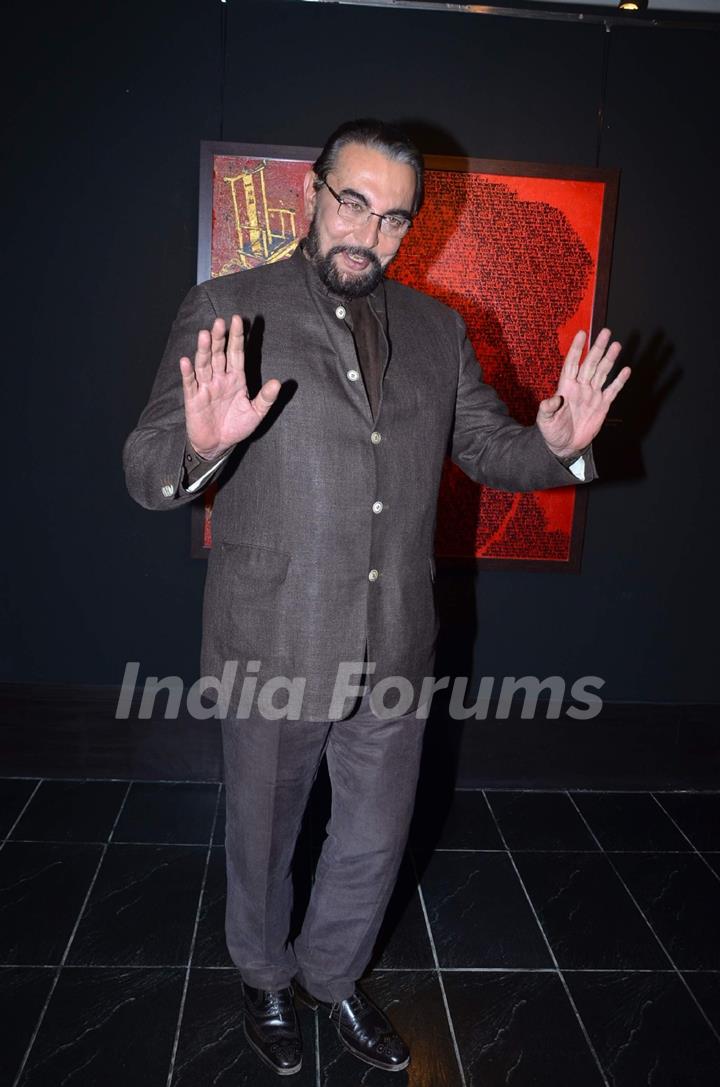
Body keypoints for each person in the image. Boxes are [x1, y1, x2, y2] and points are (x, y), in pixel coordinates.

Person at [123, 119, 630, 1077]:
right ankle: (265, 976)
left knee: (372, 839)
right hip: (274, 638)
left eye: (394, 219)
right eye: (353, 202)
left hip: (395, 643)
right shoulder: (228, 306)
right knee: (263, 838)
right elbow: (147, 467)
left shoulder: (438, 330)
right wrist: (201, 444)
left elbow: (489, 446)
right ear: (312, 193)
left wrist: (559, 439)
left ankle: (332, 974)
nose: (370, 232)